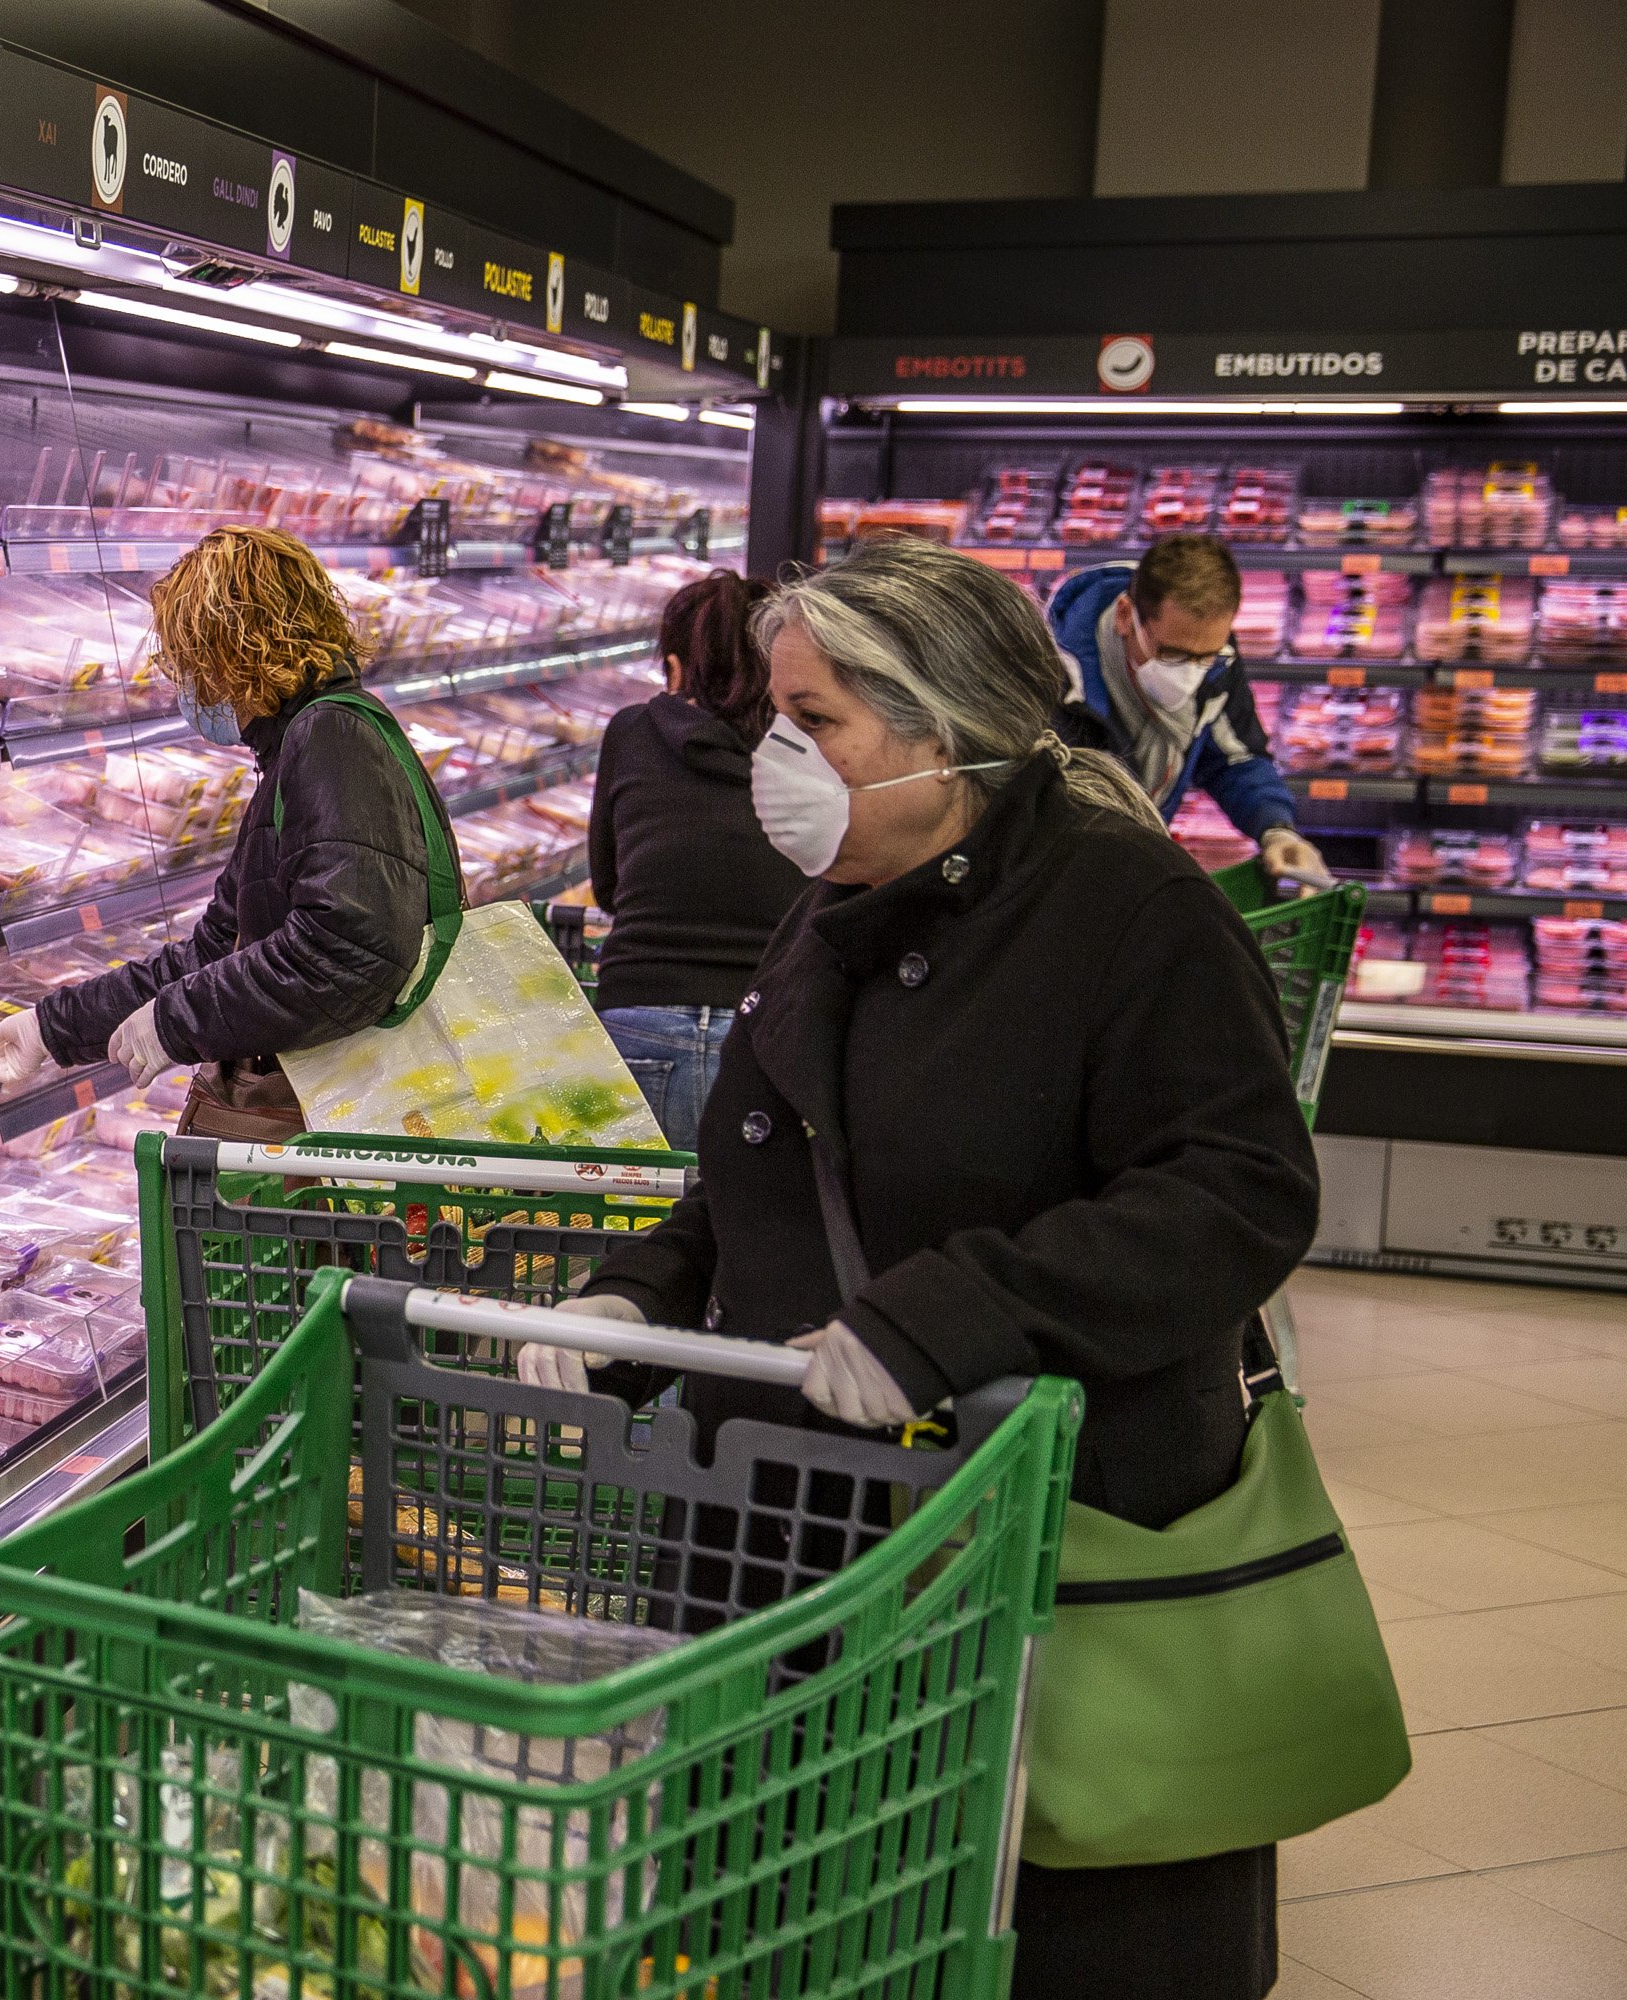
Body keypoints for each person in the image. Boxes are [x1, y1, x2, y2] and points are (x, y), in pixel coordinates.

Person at [520, 538, 1319, 2000]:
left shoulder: (1129, 907)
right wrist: (637, 1287)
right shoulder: (836, 890)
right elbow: (761, 1159)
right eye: (776, 713)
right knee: (808, 1917)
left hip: (1029, 1546)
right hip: (800, 1538)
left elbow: (1241, 1191)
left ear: (940, 730)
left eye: (814, 721)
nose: (778, 752)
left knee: (1012, 1931)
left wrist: (950, 1313)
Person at [0, 525, 453, 1141]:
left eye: (188, 664)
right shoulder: (307, 743)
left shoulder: (330, 742)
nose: (184, 685)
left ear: (230, 654)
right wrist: (50, 1029)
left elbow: (344, 951)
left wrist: (174, 1023)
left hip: (338, 1120)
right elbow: (220, 948)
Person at [586, 569, 807, 1149]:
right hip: (771, 1023)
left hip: (637, 1015)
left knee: (627, 1229)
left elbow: (607, 886)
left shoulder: (632, 731)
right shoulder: (811, 744)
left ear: (677, 668)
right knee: (750, 1226)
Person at [1048, 532, 1331, 888]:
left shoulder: (1216, 661)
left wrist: (1276, 829)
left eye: (1204, 656)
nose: (1190, 673)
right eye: (1172, 654)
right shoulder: (1051, 683)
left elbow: (1233, 759)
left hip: (1136, 868)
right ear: (1125, 616)